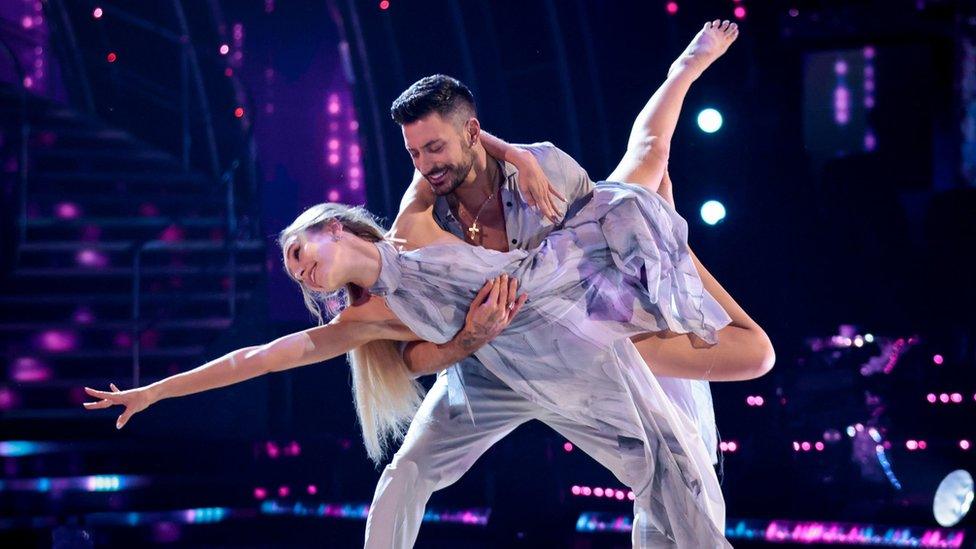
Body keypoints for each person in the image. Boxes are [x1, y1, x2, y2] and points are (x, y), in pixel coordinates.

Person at [84, 20, 771, 547]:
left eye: (299, 247)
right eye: (291, 266)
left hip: (560, 318)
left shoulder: (428, 212)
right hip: (487, 370)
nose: (296, 265)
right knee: (405, 473)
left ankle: (683, 71)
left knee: (647, 179)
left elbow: (456, 137)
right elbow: (259, 357)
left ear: (335, 226)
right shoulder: (376, 294)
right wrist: (155, 390)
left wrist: (515, 155)